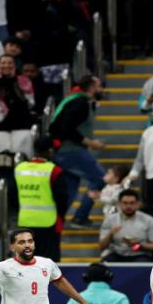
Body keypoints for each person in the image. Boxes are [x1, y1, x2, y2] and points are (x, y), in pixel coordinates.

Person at [49, 75, 105, 228]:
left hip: (64, 151)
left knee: (71, 187)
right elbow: (67, 129)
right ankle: (80, 217)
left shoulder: (75, 100)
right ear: (91, 87)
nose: (101, 89)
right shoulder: (80, 103)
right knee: (99, 178)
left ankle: (56, 220)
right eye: (99, 86)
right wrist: (91, 143)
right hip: (71, 151)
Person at [13, 138, 69, 262]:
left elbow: (13, 196)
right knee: (49, 263)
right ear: (50, 151)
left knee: (26, 262)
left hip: (25, 222)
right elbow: (62, 199)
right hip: (48, 223)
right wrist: (61, 217)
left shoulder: (19, 169)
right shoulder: (54, 170)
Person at [0, 55, 35, 156]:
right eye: (3, 63)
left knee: (21, 152)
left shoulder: (23, 80)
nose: (6, 65)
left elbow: (30, 102)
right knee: (2, 153)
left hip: (22, 123)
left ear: (15, 65)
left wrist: (13, 80)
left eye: (10, 63)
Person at [99, 189, 153, 263]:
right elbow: (101, 246)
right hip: (116, 254)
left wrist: (139, 245)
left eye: (132, 203)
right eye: (125, 203)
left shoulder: (149, 220)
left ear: (138, 204)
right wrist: (110, 234)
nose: (128, 206)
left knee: (143, 264)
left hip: (140, 254)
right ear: (119, 204)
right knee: (103, 265)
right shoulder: (110, 220)